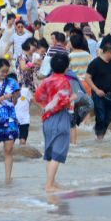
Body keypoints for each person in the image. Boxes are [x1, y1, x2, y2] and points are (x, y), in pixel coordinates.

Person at [34, 53, 75, 192]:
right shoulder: (64, 81)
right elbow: (63, 101)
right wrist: (73, 97)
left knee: (50, 152)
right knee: (57, 153)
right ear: (66, 67)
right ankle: (49, 185)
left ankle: (51, 181)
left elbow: (37, 97)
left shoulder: (46, 80)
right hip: (59, 117)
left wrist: (45, 107)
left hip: (47, 118)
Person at [87, 40, 111, 141]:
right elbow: (87, 77)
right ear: (108, 52)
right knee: (100, 116)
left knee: (108, 119)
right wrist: (96, 90)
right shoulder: (95, 63)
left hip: (109, 94)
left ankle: (100, 136)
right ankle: (99, 138)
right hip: (98, 94)